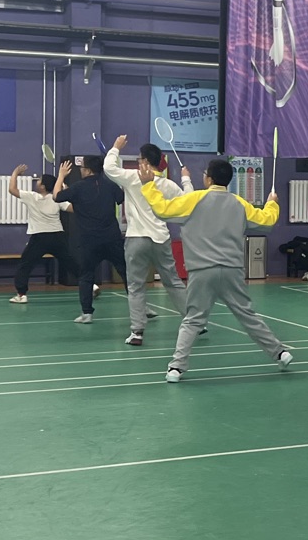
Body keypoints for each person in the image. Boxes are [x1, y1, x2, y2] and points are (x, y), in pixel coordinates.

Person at [141, 158, 291, 382]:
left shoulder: (193, 200)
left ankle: (176, 368)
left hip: (202, 271)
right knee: (247, 315)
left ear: (208, 179)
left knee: (193, 319)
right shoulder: (239, 203)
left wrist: (148, 185)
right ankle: (280, 353)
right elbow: (266, 221)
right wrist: (272, 203)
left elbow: (162, 209)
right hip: (233, 270)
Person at [105, 136, 190, 345]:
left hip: (136, 239)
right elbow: (188, 202)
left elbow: (108, 167)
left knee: (136, 286)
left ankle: (137, 332)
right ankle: (195, 323)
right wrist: (186, 179)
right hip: (161, 239)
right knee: (173, 282)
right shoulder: (168, 185)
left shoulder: (132, 177)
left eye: (139, 158)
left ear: (144, 161)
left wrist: (116, 147)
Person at [53, 153, 126, 323]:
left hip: (89, 241)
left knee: (86, 276)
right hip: (112, 238)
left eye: (82, 167)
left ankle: (87, 313)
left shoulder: (78, 187)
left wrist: (61, 175)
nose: (81, 170)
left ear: (87, 170)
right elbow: (120, 198)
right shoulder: (110, 185)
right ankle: (141, 307)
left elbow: (56, 196)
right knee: (126, 272)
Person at [7, 164, 77, 303]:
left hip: (39, 238)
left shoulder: (31, 197)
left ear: (43, 187)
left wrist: (15, 173)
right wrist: (67, 192)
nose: (37, 182)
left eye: (39, 180)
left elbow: (12, 189)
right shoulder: (57, 198)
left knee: (25, 265)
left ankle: (21, 295)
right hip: (58, 237)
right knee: (70, 262)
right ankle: (91, 286)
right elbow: (73, 208)